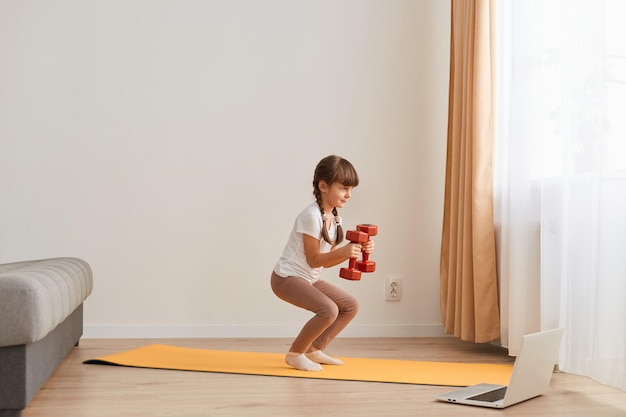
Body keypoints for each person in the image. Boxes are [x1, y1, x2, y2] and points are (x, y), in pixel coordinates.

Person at [271, 155, 374, 371]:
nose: (349, 195)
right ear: (323, 186)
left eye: (351, 189)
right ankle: (295, 353)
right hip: (286, 278)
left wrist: (354, 251)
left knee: (349, 306)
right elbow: (314, 259)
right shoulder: (311, 216)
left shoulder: (335, 217)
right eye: (344, 188)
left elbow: (325, 263)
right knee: (328, 310)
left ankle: (314, 349)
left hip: (309, 278)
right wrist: (346, 251)